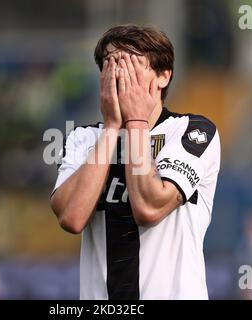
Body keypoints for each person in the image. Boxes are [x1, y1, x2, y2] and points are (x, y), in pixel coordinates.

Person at [50, 25, 221, 299]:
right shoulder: (84, 138)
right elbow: (71, 217)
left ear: (163, 76)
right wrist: (111, 128)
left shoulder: (192, 131)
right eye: (111, 64)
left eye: (131, 63)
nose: (120, 74)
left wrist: (136, 122)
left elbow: (148, 208)